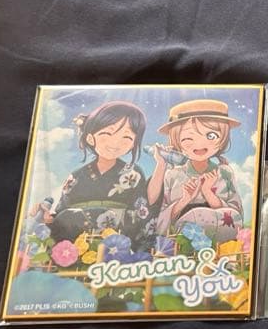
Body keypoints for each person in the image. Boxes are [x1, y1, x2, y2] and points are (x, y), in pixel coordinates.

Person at [39, 101, 156, 253]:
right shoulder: (76, 176)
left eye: (126, 137)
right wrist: (49, 217)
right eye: (107, 133)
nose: (115, 142)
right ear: (90, 138)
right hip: (74, 242)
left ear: (134, 143)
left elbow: (141, 213)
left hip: (116, 241)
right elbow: (62, 210)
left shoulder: (134, 174)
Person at [150, 98, 243, 243]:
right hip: (181, 241)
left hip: (221, 240)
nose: (199, 144)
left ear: (223, 138)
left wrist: (208, 193)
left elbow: (237, 216)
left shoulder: (225, 172)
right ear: (176, 141)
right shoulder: (173, 175)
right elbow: (159, 221)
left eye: (211, 136)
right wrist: (184, 200)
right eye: (187, 138)